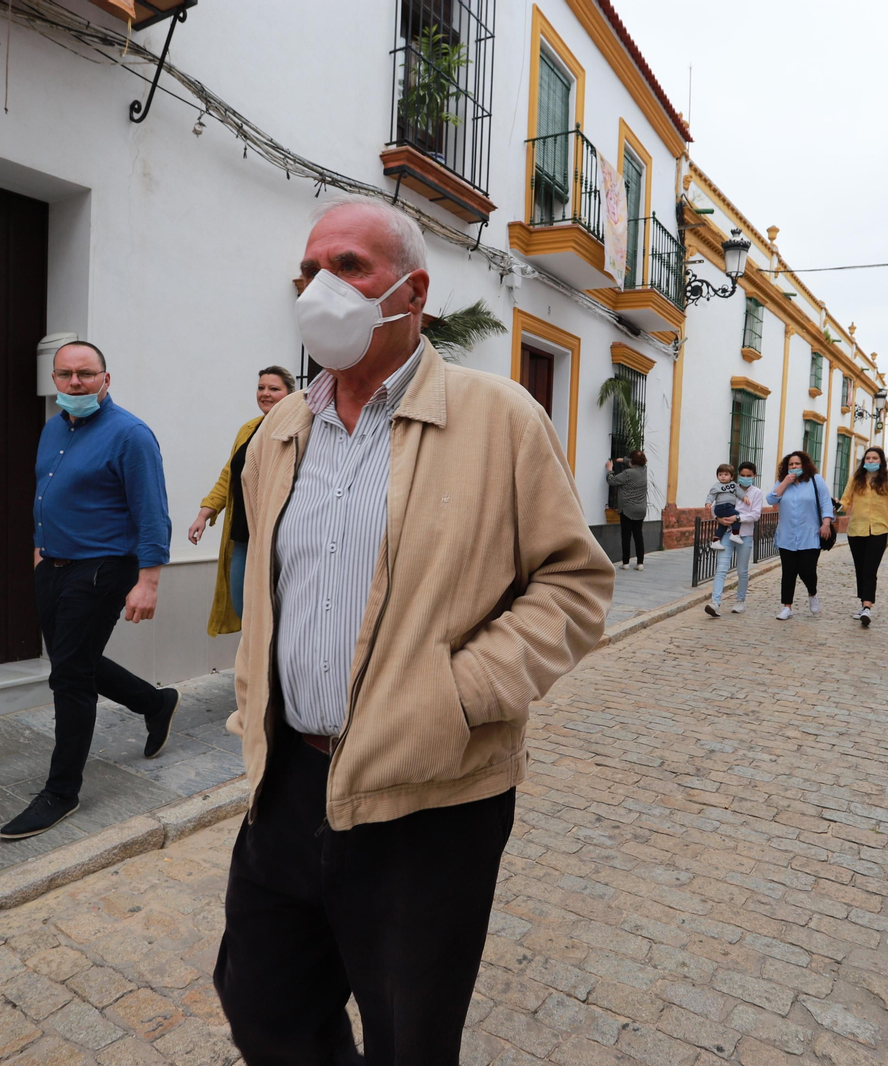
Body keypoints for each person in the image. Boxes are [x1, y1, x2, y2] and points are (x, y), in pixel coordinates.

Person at [213, 196, 613, 1064]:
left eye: (348, 267)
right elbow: (275, 592)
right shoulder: (280, 431)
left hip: (432, 800)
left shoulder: (501, 419)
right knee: (262, 1008)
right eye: (308, 273)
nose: (322, 289)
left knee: (410, 1037)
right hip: (286, 783)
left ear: (412, 291)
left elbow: (575, 584)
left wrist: (455, 697)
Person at [1, 341, 178, 840]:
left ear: (105, 377)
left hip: (102, 569)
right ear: (54, 379)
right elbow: (44, 491)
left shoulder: (130, 435)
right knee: (73, 659)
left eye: (85, 374)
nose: (74, 383)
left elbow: (152, 512)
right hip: (53, 565)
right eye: (65, 374)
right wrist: (40, 549)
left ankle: (62, 791)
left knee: (69, 678)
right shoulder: (53, 428)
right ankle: (154, 703)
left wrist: (148, 581)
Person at [188, 366, 297, 633]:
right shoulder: (249, 429)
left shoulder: (297, 430)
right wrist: (205, 512)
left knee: (276, 614)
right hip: (243, 539)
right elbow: (229, 476)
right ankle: (252, 670)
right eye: (261, 388)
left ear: (289, 394)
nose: (265, 394)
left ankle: (272, 673)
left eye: (274, 389)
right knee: (243, 608)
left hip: (278, 540)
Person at [764, 450, 834, 621]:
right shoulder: (782, 482)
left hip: (810, 534)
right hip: (787, 535)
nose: (794, 467)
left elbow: (826, 502)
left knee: (807, 570)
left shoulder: (815, 480)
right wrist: (785, 482)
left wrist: (826, 523)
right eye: (791, 465)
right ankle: (787, 606)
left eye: (797, 464)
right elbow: (771, 500)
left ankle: (812, 592)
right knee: (788, 572)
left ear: (804, 465)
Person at [839, 446, 888, 627]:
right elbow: (845, 501)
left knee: (870, 569)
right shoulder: (856, 480)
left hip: (880, 531)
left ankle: (867, 607)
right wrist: (836, 505)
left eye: (875, 458)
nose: (871, 461)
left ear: (881, 461)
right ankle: (863, 604)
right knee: (860, 568)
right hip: (856, 530)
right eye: (868, 459)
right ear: (864, 461)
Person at [705, 461, 765, 617]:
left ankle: (740, 600)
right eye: (743, 475)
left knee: (742, 570)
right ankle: (715, 602)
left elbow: (755, 514)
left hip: (744, 535)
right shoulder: (729, 487)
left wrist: (737, 518)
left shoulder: (757, 493)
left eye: (748, 476)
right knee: (721, 568)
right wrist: (718, 518)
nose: (745, 478)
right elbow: (714, 506)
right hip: (726, 533)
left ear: (754, 476)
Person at [605, 450, 649, 570]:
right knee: (638, 535)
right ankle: (640, 563)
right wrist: (622, 460)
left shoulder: (628, 473)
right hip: (640, 509)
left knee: (626, 536)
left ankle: (625, 563)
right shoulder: (644, 470)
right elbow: (632, 462)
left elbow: (612, 481)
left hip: (627, 509)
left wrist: (610, 469)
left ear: (633, 461)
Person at [704, 463, 745, 550]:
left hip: (728, 507)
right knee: (737, 516)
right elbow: (711, 495)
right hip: (722, 506)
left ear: (731, 477)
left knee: (723, 525)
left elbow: (740, 492)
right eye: (720, 474)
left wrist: (745, 497)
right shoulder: (716, 486)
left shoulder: (734, 485)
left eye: (726, 475)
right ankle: (735, 534)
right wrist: (708, 503)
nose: (723, 477)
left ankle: (715, 541)